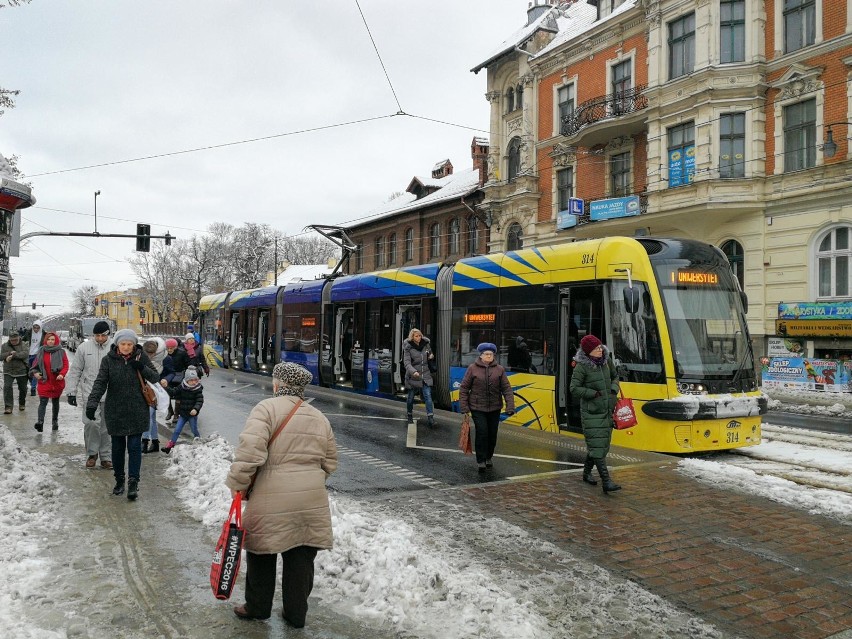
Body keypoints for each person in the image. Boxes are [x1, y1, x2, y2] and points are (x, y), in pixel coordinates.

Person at [226, 362, 337, 629]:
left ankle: (258, 607)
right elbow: (330, 462)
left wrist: (237, 484)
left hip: (270, 495)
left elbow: (249, 453)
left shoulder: (265, 409)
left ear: (277, 384)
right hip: (311, 499)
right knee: (301, 559)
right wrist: (309, 478)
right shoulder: (319, 416)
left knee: (262, 551)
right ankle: (296, 614)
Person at [85, 329, 159, 501]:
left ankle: (133, 482)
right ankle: (119, 481)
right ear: (117, 344)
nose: (126, 348)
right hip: (115, 411)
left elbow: (155, 377)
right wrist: (92, 403)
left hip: (137, 409)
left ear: (134, 345)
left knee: (134, 447)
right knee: (117, 448)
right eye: (123, 344)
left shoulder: (142, 357)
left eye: (129, 344)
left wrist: (141, 367)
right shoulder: (108, 360)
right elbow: (100, 383)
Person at [569, 334, 622, 494]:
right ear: (588, 352)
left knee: (600, 445)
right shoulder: (581, 367)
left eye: (600, 347)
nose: (600, 350)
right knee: (597, 446)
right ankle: (606, 481)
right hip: (592, 412)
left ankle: (586, 473)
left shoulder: (606, 362)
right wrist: (593, 393)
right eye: (596, 348)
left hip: (607, 409)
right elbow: (574, 388)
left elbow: (615, 377)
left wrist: (614, 389)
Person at [458, 342, 515, 472]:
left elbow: (506, 389)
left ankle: (489, 457)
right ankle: (481, 460)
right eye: (486, 354)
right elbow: (464, 388)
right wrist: (464, 408)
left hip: (495, 407)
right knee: (482, 432)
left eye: (491, 354)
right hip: (477, 407)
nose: (489, 356)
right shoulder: (472, 368)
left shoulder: (499, 369)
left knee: (492, 434)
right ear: (481, 355)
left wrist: (510, 406)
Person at [65, 321, 114, 468]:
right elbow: (76, 370)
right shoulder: (84, 348)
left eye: (102, 336)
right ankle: (92, 453)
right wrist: (71, 391)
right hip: (89, 392)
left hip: (110, 393)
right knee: (91, 424)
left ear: (108, 334)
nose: (99, 339)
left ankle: (106, 456)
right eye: (96, 335)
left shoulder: (114, 348)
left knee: (107, 426)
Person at [29, 331, 69, 432]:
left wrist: (61, 374)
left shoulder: (61, 351)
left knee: (55, 402)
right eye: (48, 339)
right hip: (44, 380)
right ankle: (40, 423)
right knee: (43, 402)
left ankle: (55, 421)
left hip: (57, 381)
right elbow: (35, 366)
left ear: (56, 340)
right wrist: (36, 373)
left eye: (52, 339)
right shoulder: (41, 351)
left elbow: (65, 365)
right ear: (45, 340)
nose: (50, 341)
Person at [161, 365, 204, 454]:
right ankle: (170, 446)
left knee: (194, 430)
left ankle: (200, 444)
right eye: (191, 380)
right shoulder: (182, 386)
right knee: (177, 430)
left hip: (192, 415)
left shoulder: (198, 389)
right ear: (187, 380)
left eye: (195, 380)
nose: (193, 382)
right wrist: (166, 387)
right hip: (183, 414)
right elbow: (173, 392)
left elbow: (199, 401)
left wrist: (195, 409)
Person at [402, 328, 435, 426]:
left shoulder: (426, 344)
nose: (419, 338)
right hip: (413, 376)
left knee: (428, 396)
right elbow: (407, 363)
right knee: (411, 397)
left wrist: (431, 356)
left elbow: (430, 353)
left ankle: (430, 418)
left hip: (425, 375)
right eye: (416, 336)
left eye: (420, 335)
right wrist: (413, 371)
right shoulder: (408, 347)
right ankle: (409, 415)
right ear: (412, 337)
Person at [141, 337, 166, 453]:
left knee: (147, 416)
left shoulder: (165, 358)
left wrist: (165, 380)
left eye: (152, 354)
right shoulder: (142, 358)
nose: (150, 356)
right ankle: (155, 442)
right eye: (147, 354)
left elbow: (170, 372)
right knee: (151, 417)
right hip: (146, 390)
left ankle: (145, 441)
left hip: (156, 390)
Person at [2, 331, 30, 413]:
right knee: (7, 387)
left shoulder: (24, 345)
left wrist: (14, 355)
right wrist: (9, 353)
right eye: (12, 340)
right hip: (8, 370)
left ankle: (22, 403)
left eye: (15, 340)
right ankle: (8, 407)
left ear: (18, 338)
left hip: (21, 370)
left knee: (23, 388)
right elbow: (1, 356)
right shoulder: (4, 346)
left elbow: (25, 354)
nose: (13, 342)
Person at [27, 320, 45, 396]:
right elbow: (22, 340)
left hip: (37, 355)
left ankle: (33, 388)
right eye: (35, 327)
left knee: (35, 371)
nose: (36, 329)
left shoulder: (44, 334)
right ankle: (32, 383)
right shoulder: (28, 333)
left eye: (38, 328)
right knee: (29, 372)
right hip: (29, 354)